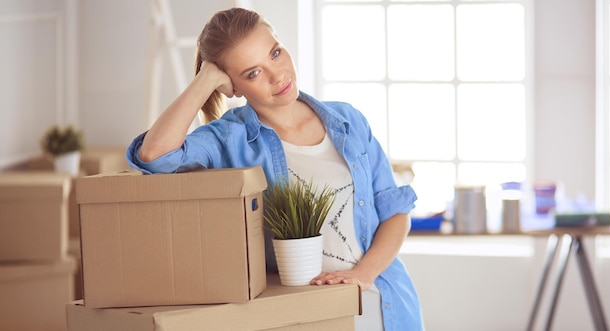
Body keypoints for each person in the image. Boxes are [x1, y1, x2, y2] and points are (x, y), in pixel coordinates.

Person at [126, 7, 424, 331]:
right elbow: (154, 155)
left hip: (386, 303)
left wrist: (361, 276)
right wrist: (206, 78)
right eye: (252, 73)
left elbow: (395, 211)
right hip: (302, 314)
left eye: (275, 53)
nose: (277, 75)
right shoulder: (230, 138)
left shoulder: (348, 121)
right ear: (233, 86)